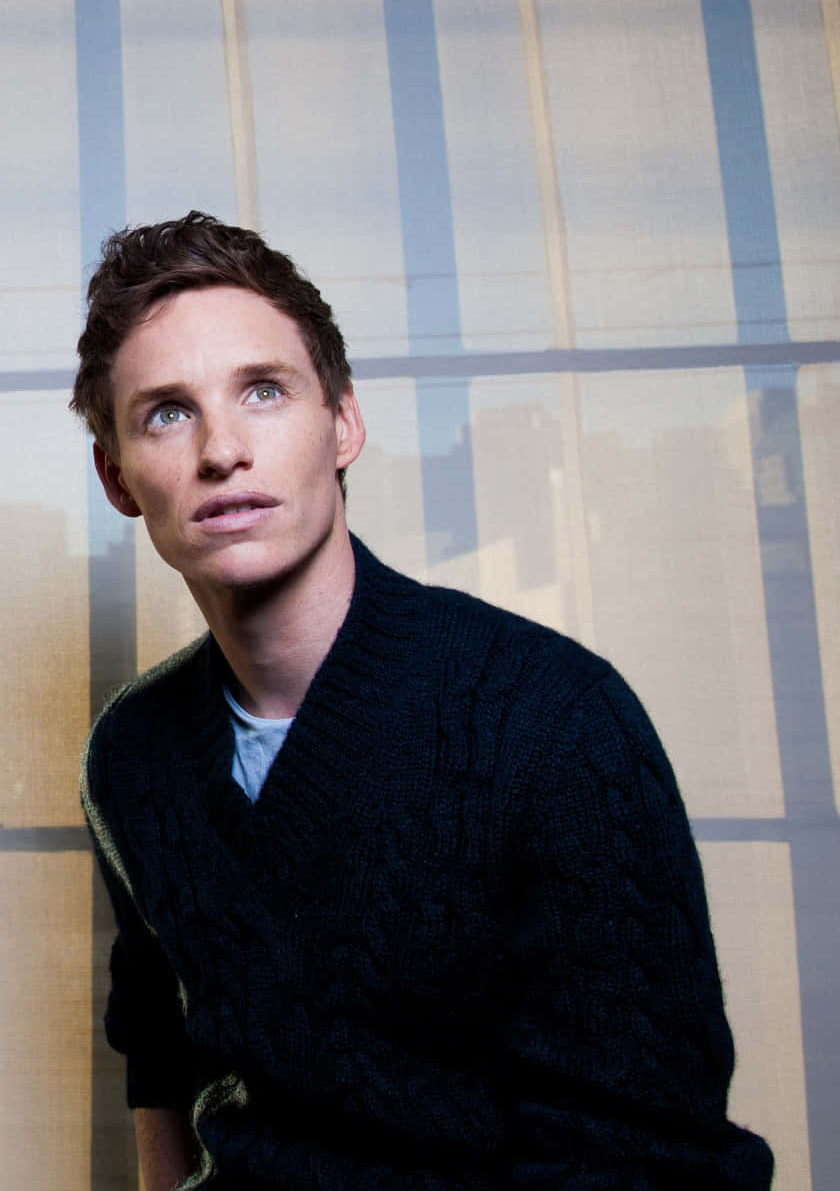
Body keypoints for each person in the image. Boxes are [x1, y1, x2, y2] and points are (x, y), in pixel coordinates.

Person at [72, 212, 773, 1189]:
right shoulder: (133, 753)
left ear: (343, 421)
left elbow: (645, 1155)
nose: (222, 448)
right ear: (117, 475)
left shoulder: (548, 719)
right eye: (166, 413)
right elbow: (154, 1022)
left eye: (264, 390)